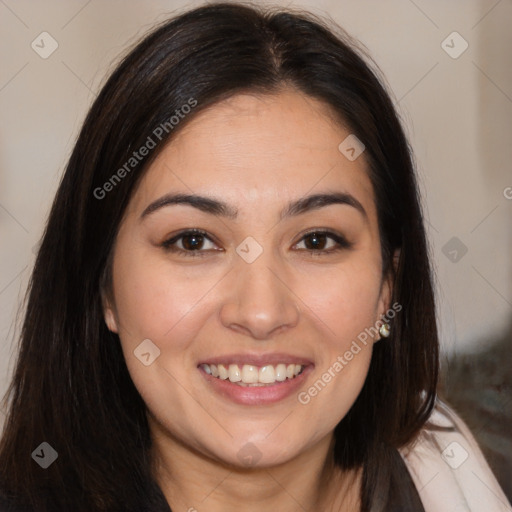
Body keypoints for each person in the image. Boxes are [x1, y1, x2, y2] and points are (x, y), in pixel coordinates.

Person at [0, 2, 509, 511]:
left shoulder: (469, 483)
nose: (261, 313)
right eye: (193, 241)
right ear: (104, 285)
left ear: (387, 287)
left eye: (316, 241)